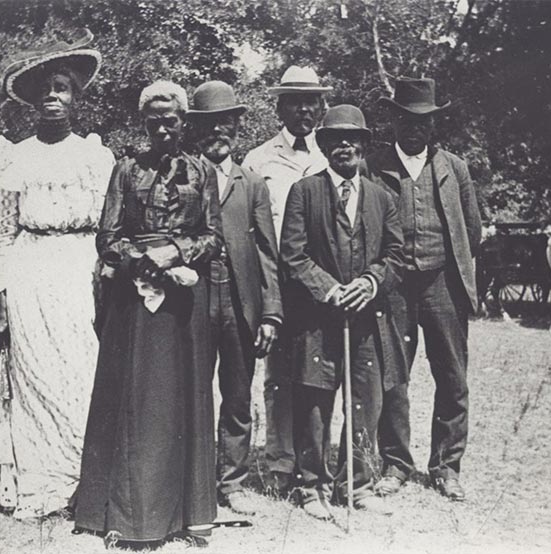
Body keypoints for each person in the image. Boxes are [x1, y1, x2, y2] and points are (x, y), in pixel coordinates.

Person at [73, 81, 223, 549]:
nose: (162, 128)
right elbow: (107, 236)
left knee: (181, 400)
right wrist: (145, 262)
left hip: (183, 303)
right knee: (135, 401)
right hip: (133, 302)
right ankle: (127, 516)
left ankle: (185, 515)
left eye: (171, 120)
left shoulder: (202, 171)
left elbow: (213, 235)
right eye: (154, 120)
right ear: (144, 123)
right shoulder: (125, 170)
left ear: (183, 123)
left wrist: (176, 253)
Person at [0, 31, 116, 519]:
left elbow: (108, 231)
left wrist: (105, 282)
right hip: (32, 273)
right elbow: (8, 233)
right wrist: (3, 297)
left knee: (79, 373)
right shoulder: (15, 156)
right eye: (46, 90)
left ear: (76, 96)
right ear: (35, 101)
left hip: (80, 273)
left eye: (62, 88)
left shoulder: (95, 156)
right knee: (35, 375)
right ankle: (39, 481)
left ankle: (82, 479)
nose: (53, 97)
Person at [279, 105, 405, 519]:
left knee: (365, 401)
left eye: (352, 139)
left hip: (367, 318)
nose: (344, 146)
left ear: (365, 146)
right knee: (315, 400)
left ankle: (358, 483)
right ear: (324, 145)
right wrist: (330, 290)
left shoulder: (382, 196)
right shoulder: (306, 191)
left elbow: (396, 254)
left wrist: (369, 283)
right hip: (318, 318)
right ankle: (310, 485)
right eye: (335, 139)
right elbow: (292, 256)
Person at [362, 77, 481, 501]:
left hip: (443, 283)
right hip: (393, 287)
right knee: (393, 377)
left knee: (452, 376)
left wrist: (454, 270)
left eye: (424, 121)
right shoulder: (372, 166)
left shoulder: (454, 168)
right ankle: (395, 463)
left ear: (434, 125)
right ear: (394, 120)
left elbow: (472, 229)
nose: (416, 128)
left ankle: (447, 467)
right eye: (407, 119)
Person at [186, 81, 283, 515]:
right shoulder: (183, 175)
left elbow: (267, 252)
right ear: (196, 130)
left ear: (237, 128)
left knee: (238, 396)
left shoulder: (254, 183)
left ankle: (233, 481)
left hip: (241, 302)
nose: (217, 132)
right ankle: (193, 478)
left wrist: (271, 314)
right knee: (192, 391)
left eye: (225, 123)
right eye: (208, 125)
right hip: (193, 301)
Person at [241, 65, 330, 495]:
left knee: (316, 375)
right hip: (275, 283)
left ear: (321, 106)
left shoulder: (332, 155)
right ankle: (279, 464)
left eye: (311, 101)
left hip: (319, 285)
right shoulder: (258, 160)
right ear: (279, 105)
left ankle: (316, 462)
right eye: (295, 100)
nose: (304, 109)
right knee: (277, 375)